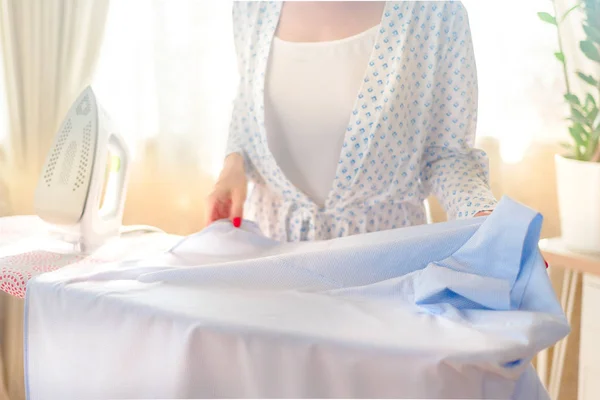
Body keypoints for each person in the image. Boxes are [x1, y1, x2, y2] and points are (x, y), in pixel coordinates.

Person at [207, 1, 496, 242]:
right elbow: (248, 104)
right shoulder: (251, 7)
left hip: (385, 273)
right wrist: (234, 163)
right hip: (274, 264)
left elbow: (447, 154)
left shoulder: (435, 13)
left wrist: (484, 218)